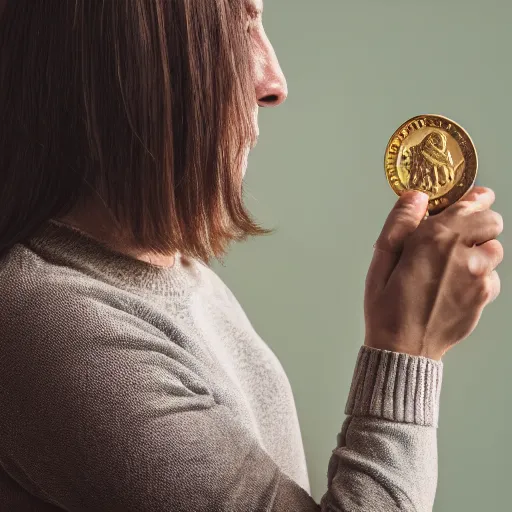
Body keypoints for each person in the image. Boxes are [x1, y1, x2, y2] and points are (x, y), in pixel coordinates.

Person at [0, 1, 503, 511]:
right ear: (131, 61)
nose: (275, 82)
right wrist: (407, 350)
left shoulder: (176, 274)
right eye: (238, 30)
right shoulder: (52, 325)